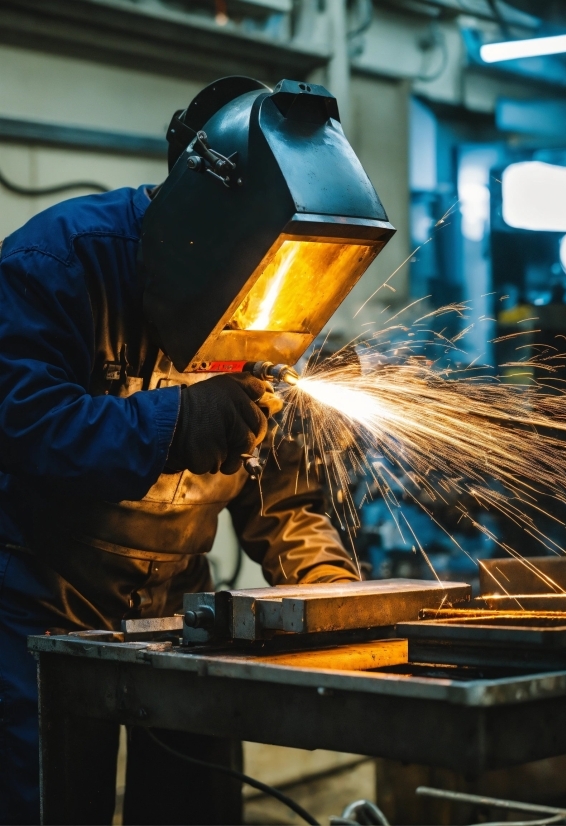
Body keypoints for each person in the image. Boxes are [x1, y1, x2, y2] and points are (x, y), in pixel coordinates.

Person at [0, 88, 361, 823]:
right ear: (200, 220)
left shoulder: (276, 290)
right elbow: (27, 426)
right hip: (34, 602)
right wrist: (175, 422)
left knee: (196, 804)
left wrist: (331, 599)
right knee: (46, 801)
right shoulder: (58, 262)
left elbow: (284, 496)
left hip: (178, 608)